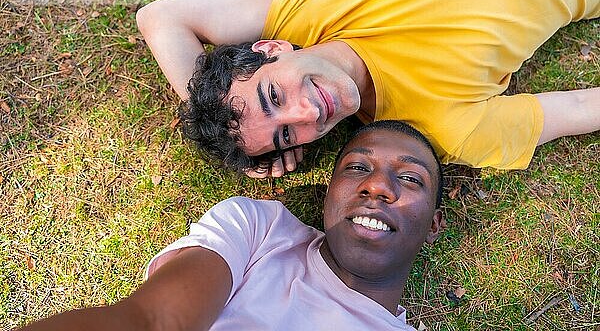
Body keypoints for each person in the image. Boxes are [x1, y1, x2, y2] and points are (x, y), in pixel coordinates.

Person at [137, 0, 600, 178]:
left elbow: (160, 18)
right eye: (287, 137)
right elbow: (582, 107)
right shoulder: (445, 128)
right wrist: (249, 142)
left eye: (274, 97)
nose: (307, 114)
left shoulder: (305, 16)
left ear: (272, 50)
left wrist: (205, 109)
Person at [18, 120, 444, 331]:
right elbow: (153, 320)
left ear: (432, 226)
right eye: (356, 168)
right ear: (330, 193)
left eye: (410, 179)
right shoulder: (259, 229)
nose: (377, 186)